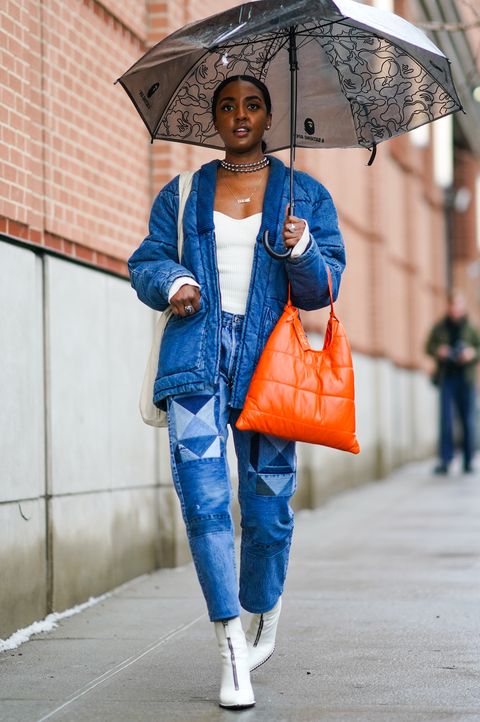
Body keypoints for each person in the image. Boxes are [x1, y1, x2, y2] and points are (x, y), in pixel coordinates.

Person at [128, 75, 345, 709]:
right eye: (227, 106)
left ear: (270, 116)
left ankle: (263, 612)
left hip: (269, 364)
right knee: (203, 499)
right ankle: (229, 644)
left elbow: (324, 288)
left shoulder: (305, 195)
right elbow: (145, 260)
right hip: (197, 357)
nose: (239, 115)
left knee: (268, 509)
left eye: (251, 105)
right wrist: (172, 283)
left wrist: (302, 247)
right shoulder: (185, 191)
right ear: (214, 119)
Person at [426, 290, 480, 475]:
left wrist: (471, 354)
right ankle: (445, 459)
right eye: (452, 305)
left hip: (466, 378)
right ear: (448, 306)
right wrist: (439, 351)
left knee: (467, 419)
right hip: (447, 377)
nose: (455, 309)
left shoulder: (471, 328)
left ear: (463, 307)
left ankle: (468, 460)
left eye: (458, 305)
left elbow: (478, 348)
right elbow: (428, 346)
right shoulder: (440, 327)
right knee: (446, 419)